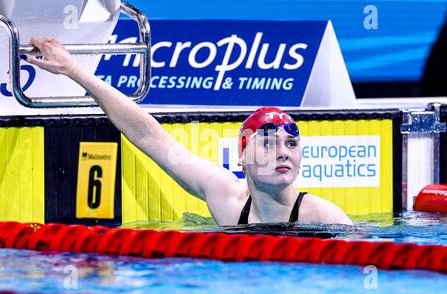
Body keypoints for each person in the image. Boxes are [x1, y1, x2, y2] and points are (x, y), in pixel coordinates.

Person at [23, 37, 353, 226]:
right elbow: (150, 136)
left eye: (292, 143)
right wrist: (73, 70)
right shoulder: (224, 196)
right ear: (241, 153)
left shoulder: (322, 217)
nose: (283, 151)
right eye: (267, 142)